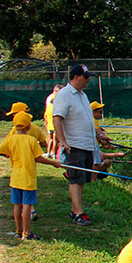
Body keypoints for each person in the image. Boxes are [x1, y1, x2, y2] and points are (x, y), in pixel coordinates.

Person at [0, 111, 65, 240]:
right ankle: (26, 233)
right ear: (28, 127)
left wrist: (8, 154)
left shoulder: (11, 139)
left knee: (17, 204)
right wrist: (54, 163)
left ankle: (18, 230)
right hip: (28, 179)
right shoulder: (31, 141)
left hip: (15, 178)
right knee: (26, 205)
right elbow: (38, 158)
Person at [52, 66, 98, 225]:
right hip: (75, 145)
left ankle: (75, 209)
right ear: (77, 77)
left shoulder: (83, 95)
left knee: (81, 180)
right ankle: (79, 212)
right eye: (86, 77)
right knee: (75, 179)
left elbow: (88, 119)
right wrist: (63, 141)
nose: (87, 81)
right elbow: (57, 118)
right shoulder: (64, 95)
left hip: (87, 144)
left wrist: (99, 135)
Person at [89, 101, 123, 179]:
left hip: (95, 145)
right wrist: (118, 154)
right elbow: (99, 135)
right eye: (100, 112)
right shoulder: (92, 121)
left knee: (98, 163)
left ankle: (94, 180)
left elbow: (100, 135)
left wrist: (105, 143)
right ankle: (93, 181)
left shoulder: (95, 121)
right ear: (93, 112)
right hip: (92, 145)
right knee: (96, 164)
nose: (101, 114)